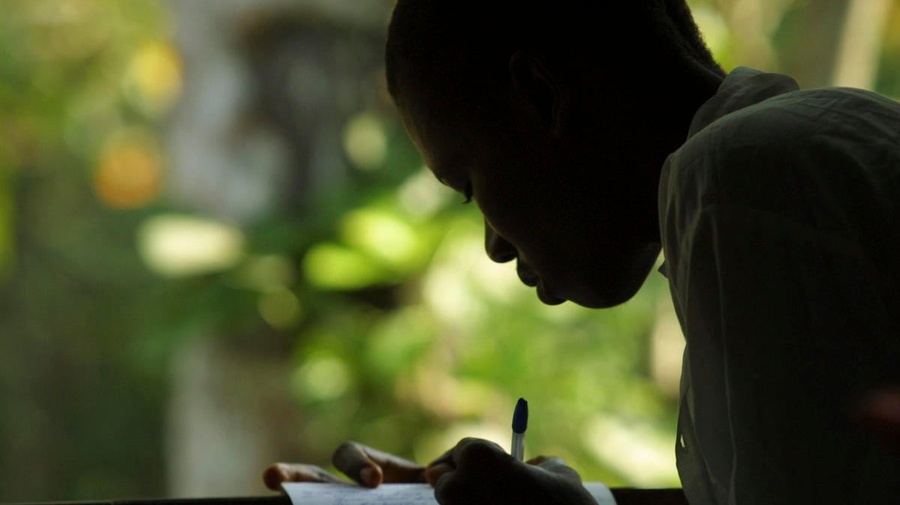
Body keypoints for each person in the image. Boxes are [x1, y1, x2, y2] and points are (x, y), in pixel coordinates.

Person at [264, 1, 900, 503]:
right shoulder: (802, 154)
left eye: (470, 186)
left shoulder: (739, 182)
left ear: (540, 95)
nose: (492, 246)